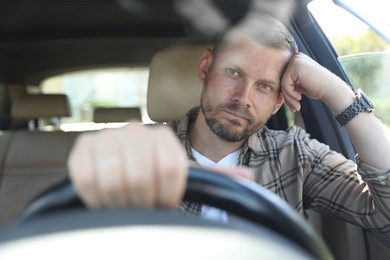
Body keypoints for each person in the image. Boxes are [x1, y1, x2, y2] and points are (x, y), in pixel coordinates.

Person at [68, 14, 390, 235]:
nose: (243, 97)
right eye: (233, 73)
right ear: (206, 67)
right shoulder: (140, 151)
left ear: (280, 100)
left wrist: (337, 93)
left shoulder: (296, 155)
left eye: (264, 86)